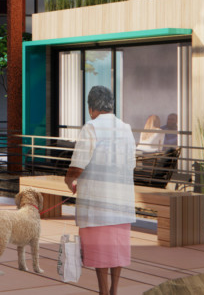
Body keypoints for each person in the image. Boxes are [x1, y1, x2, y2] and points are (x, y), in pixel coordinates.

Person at [66, 86, 135, 295]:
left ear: (91, 107)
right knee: (117, 248)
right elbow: (131, 163)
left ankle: (103, 291)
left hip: (97, 201)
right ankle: (114, 290)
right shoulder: (126, 128)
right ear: (111, 105)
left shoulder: (91, 128)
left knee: (100, 250)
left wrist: (69, 181)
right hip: (121, 200)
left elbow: (78, 164)